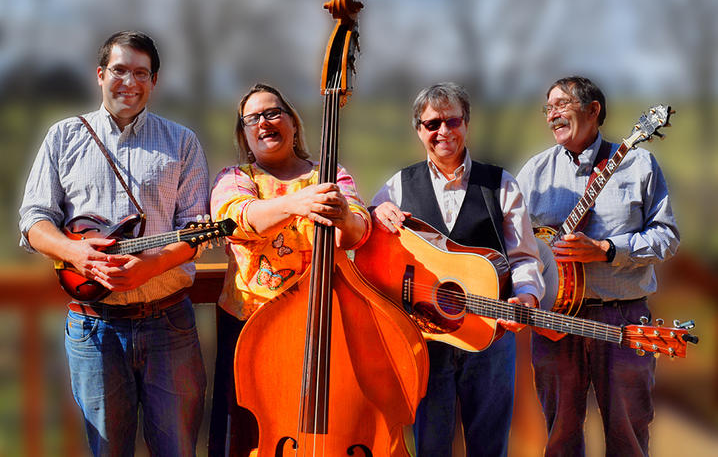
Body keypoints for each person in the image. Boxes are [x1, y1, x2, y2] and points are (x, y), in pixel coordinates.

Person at [18, 30, 209, 456]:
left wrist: (150, 267)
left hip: (169, 325)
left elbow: (195, 230)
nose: (130, 82)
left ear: (154, 81)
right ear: (100, 75)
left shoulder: (182, 142)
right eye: (120, 70)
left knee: (178, 448)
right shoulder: (63, 136)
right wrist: (75, 254)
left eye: (141, 73)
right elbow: (33, 219)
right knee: (107, 450)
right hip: (92, 327)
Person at [370, 82, 544, 457]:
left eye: (452, 121)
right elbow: (367, 242)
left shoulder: (501, 183)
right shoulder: (398, 185)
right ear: (418, 129)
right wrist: (373, 214)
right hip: (424, 339)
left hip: (491, 338)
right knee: (431, 446)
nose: (443, 132)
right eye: (432, 124)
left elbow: (525, 257)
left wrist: (527, 296)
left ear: (466, 123)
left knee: (489, 445)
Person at [516, 75, 680, 456]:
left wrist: (607, 249)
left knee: (628, 437)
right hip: (554, 323)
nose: (551, 115)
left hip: (623, 320)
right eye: (548, 107)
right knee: (559, 438)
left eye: (561, 105)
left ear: (593, 111)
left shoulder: (639, 165)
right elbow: (515, 245)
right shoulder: (534, 173)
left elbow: (667, 238)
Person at [207, 83, 371, 456]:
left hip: (323, 327)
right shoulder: (234, 177)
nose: (264, 122)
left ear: (293, 124)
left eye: (273, 113)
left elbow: (359, 232)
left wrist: (345, 215)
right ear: (244, 135)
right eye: (253, 118)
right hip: (251, 328)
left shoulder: (330, 174)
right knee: (251, 433)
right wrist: (298, 202)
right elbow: (234, 219)